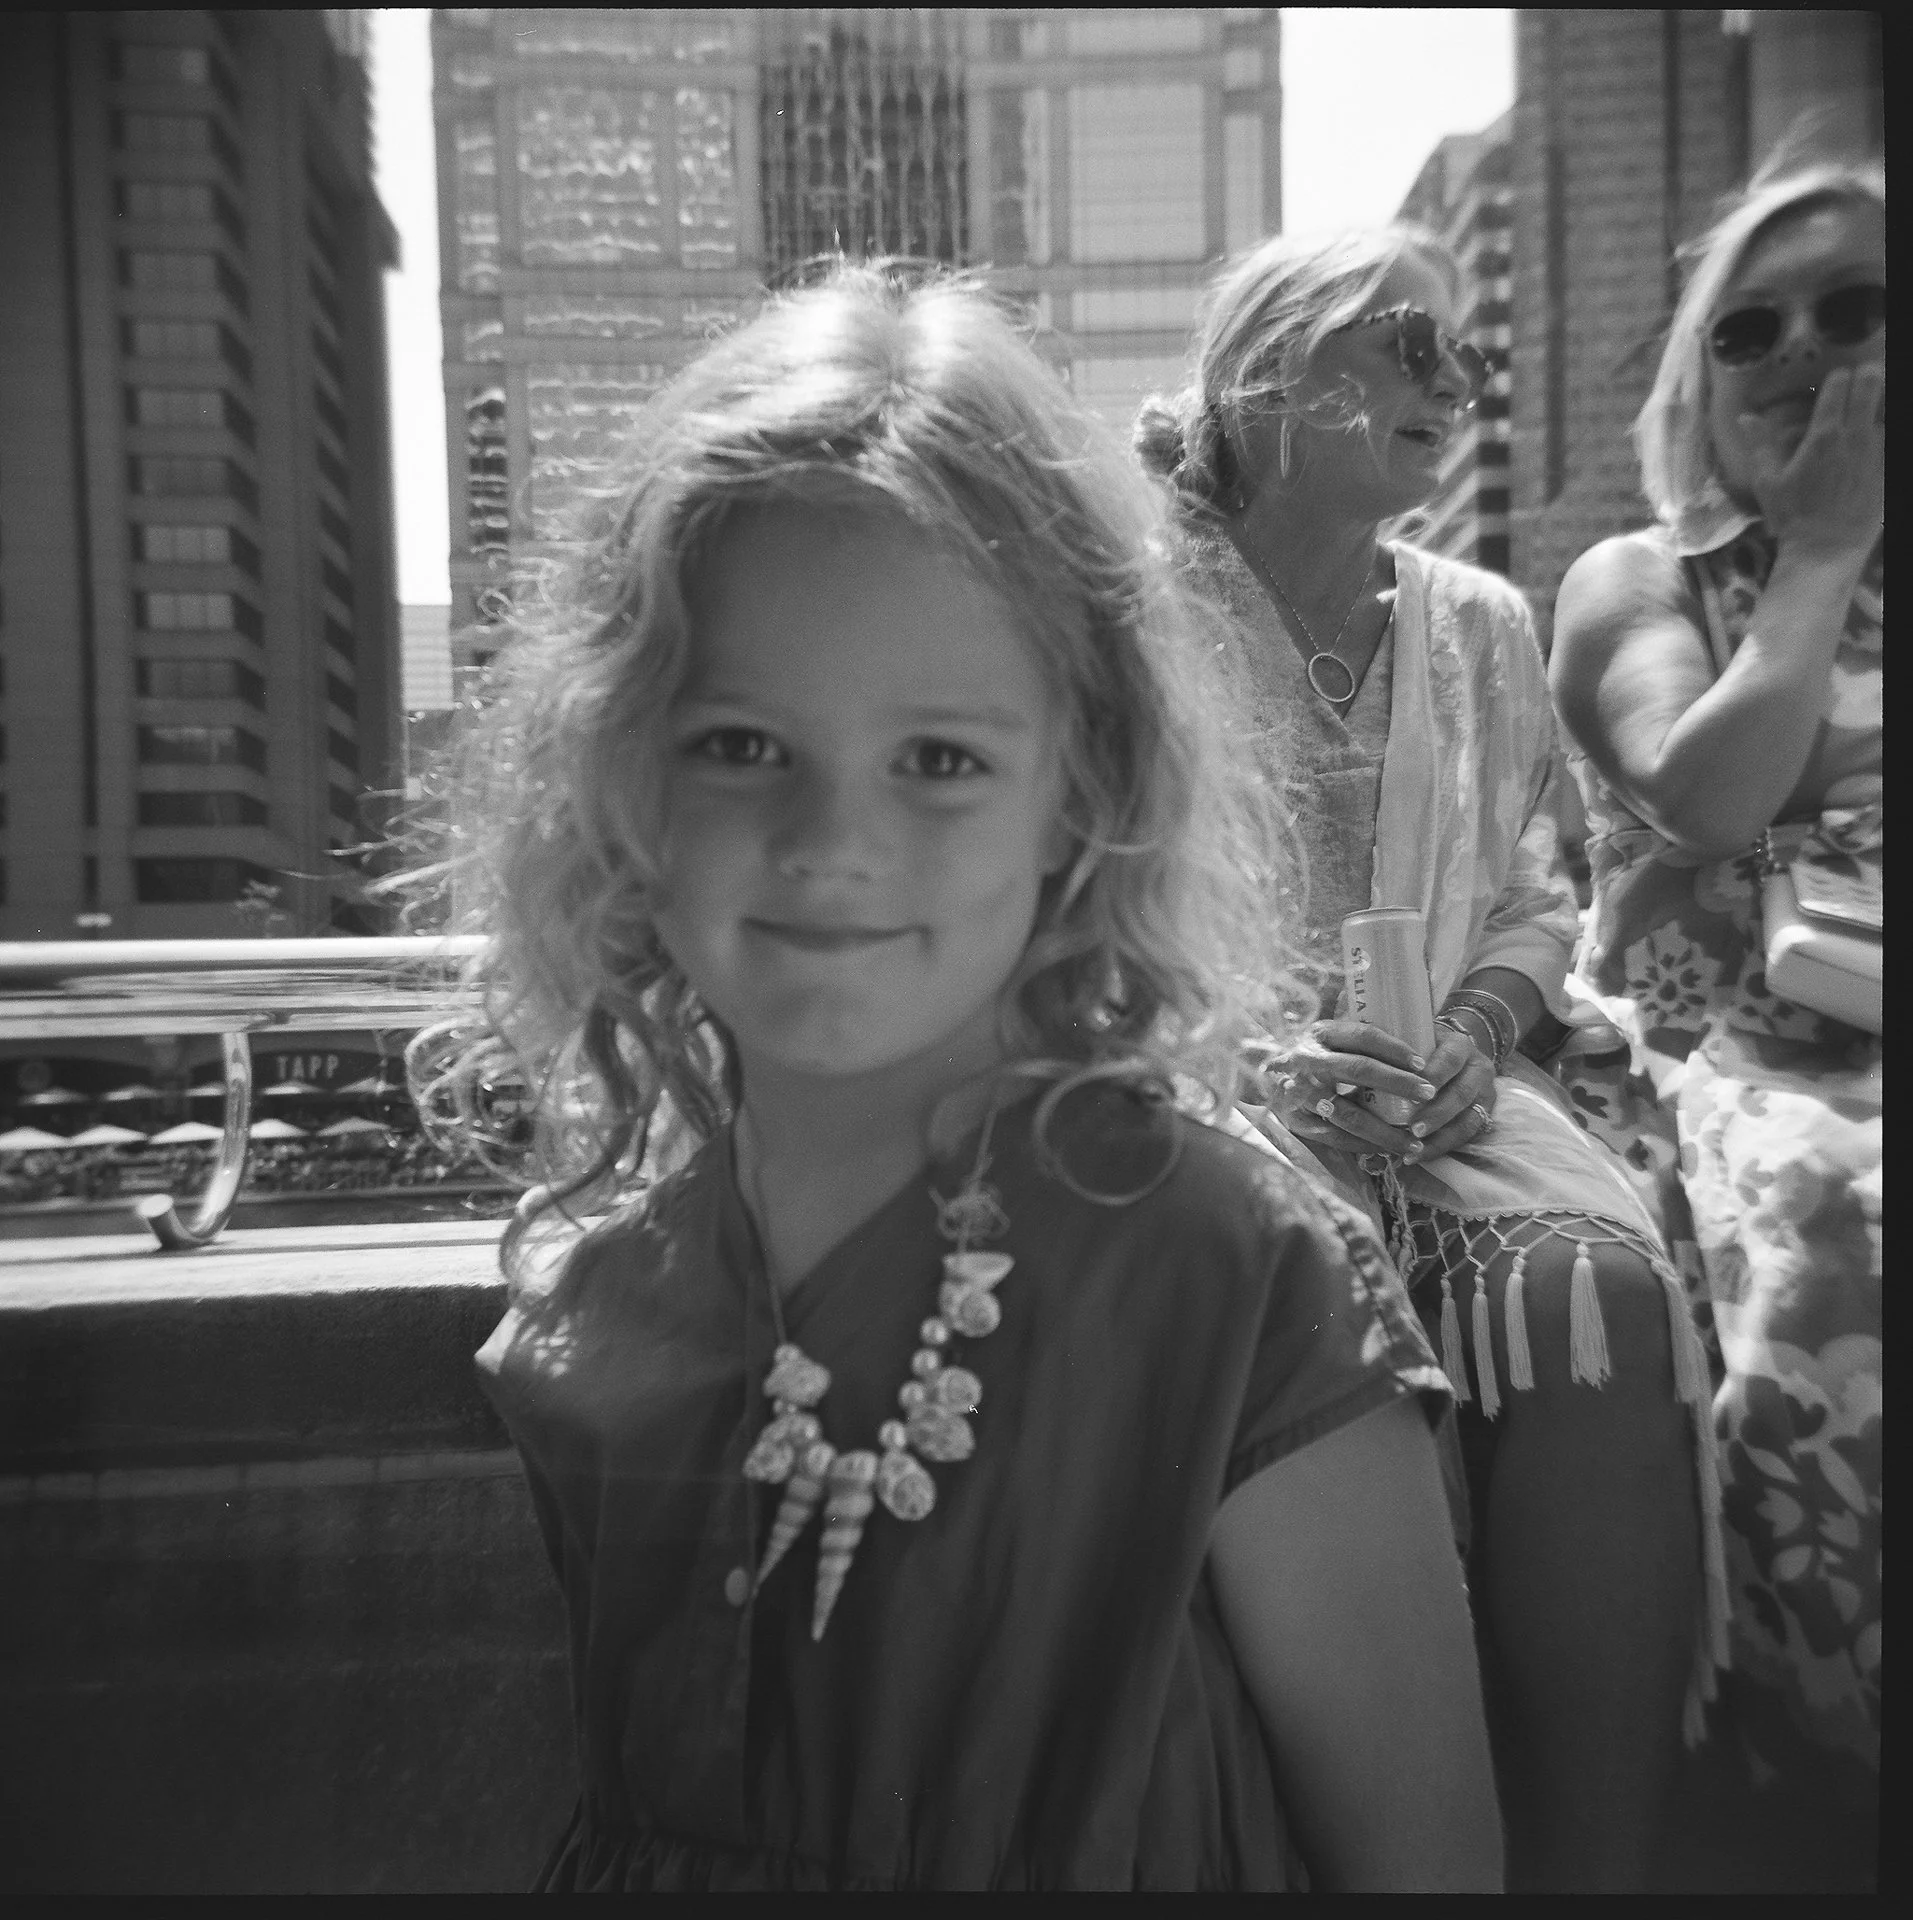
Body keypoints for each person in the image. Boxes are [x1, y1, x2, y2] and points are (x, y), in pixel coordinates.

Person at [404, 263, 1501, 1891]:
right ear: (620, 780)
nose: (832, 844)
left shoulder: (1231, 1284)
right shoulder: (601, 1314)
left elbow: (1427, 1866)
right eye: (740, 745)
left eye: (939, 760)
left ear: (1083, 796)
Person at [1136, 229, 1724, 1893]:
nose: (1453, 383)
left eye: (1463, 352)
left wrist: (1473, 1038)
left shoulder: (1482, 623)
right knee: (1303, 1303)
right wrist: (1246, 1061)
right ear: (1272, 363)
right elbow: (1070, 896)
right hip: (1196, 1100)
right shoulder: (1122, 607)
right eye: (1410, 343)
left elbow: (1540, 896)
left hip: (1448, 1104)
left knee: (1598, 1297)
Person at [1550, 151, 1882, 1861]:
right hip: (1727, 1052)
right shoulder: (1640, 583)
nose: (1798, 348)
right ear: (1700, 379)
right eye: (1749, 327)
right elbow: (1706, 795)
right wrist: (1826, 551)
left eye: (1854, 308)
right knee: (1839, 1225)